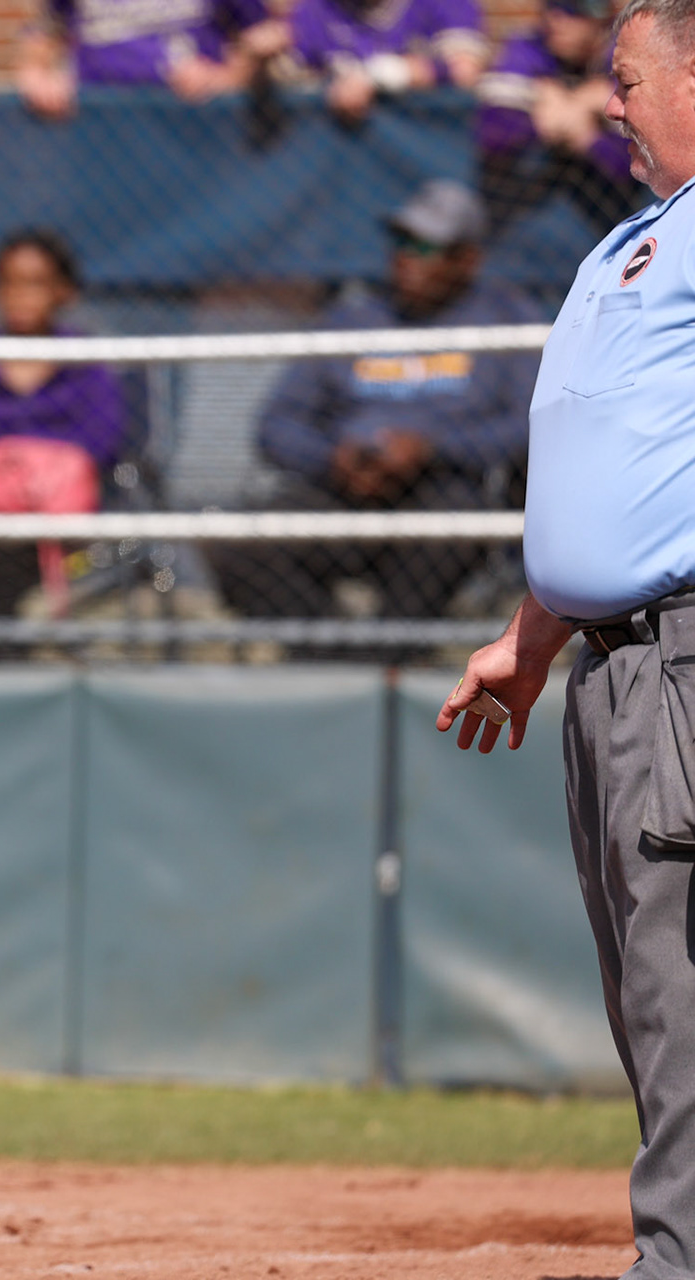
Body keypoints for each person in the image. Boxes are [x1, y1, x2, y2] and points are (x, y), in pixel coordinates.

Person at [439, 1, 695, 1271]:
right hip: (609, 662)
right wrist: (531, 640)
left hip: (686, 657)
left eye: (629, 77)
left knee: (683, 989)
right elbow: (612, 470)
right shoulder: (630, 245)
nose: (607, 103)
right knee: (648, 990)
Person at [209, 180, 545, 623]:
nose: (406, 258)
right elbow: (276, 424)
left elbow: (529, 424)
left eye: (426, 247)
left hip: (443, 489)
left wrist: (430, 448)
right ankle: (340, 659)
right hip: (345, 486)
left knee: (456, 525)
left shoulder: (508, 317)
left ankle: (394, 655)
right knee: (233, 544)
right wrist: (334, 457)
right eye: (401, 242)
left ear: (467, 260)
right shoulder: (351, 319)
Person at [0, 228, 130, 623]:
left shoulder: (87, 365)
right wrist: (41, 453)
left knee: (4, 564)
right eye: (8, 282)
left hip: (61, 526)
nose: (19, 294)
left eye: (34, 283)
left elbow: (100, 445)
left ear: (64, 291)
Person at [477, 0, 638, 235]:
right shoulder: (530, 44)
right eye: (550, 8)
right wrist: (540, 123)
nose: (555, 20)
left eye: (570, 9)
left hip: (613, 230)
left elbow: (630, 164)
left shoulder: (627, 49)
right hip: (521, 233)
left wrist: (586, 137)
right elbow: (493, 136)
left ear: (600, 17)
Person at [16, 0, 291, 118]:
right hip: (99, 131)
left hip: (194, 128)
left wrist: (227, 77)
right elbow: (46, 30)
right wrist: (35, 75)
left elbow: (268, 34)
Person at [287, 0, 490, 123]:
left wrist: (377, 75)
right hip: (335, 167)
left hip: (424, 161)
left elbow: (465, 70)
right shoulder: (315, 8)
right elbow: (284, 83)